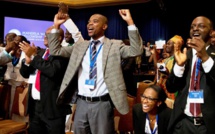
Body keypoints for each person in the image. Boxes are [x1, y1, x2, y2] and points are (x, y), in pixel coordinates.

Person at [46, 9, 143, 134]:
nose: (89, 24)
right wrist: (56, 26)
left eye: (95, 21)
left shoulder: (115, 45)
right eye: (88, 22)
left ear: (104, 26)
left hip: (102, 104)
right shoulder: (80, 46)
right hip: (81, 103)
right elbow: (56, 51)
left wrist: (130, 22)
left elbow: (136, 50)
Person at [166, 16, 215, 134]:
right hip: (183, 123)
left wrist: (204, 57)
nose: (195, 29)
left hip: (208, 126)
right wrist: (179, 66)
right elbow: (171, 87)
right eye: (192, 27)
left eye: (201, 26)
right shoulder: (184, 55)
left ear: (212, 32)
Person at [19, 27, 71, 134]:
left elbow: (52, 71)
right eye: (45, 34)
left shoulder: (63, 54)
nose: (45, 37)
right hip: (35, 107)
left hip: (52, 108)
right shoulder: (40, 52)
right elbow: (25, 73)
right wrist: (28, 62)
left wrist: (33, 56)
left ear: (59, 38)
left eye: (49, 35)